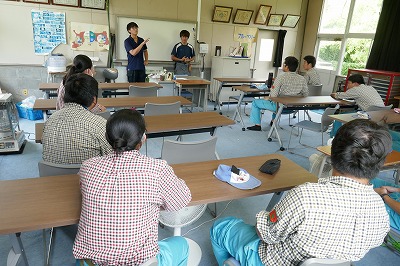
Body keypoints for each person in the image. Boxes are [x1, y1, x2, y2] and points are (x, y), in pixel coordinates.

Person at [211, 119, 391, 265]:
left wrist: (264, 217)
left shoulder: (306, 196)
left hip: (274, 260)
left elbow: (266, 234)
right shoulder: (380, 211)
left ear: (333, 152)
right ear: (379, 164)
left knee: (221, 227)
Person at [73, 109, 192, 266]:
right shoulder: (156, 169)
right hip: (138, 263)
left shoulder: (88, 166)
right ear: (143, 139)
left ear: (108, 139)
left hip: (89, 263)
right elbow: (180, 201)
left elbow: (85, 191)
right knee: (181, 244)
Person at [42, 73, 112, 164]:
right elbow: (111, 158)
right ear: (94, 100)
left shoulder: (50, 120)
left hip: (52, 176)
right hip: (87, 176)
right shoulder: (100, 124)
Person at [247, 56, 308, 131]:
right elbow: (305, 94)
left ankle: (257, 125)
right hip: (293, 108)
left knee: (256, 103)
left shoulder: (280, 77)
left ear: (286, 66)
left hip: (280, 107)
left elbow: (274, 96)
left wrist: (269, 94)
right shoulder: (302, 78)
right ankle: (273, 121)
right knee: (278, 100)